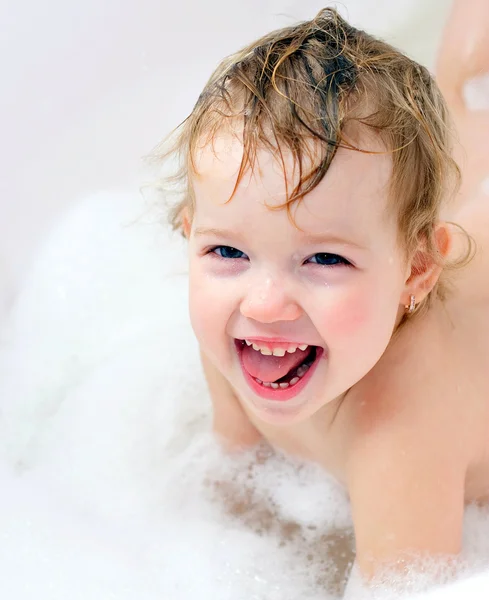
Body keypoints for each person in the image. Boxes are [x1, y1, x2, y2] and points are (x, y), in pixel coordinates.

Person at [155, 5, 489, 582]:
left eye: (325, 259)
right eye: (227, 252)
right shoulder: (240, 340)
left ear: (415, 270)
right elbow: (230, 502)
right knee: (464, 112)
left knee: (469, 99)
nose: (262, 305)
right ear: (189, 232)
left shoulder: (399, 435)